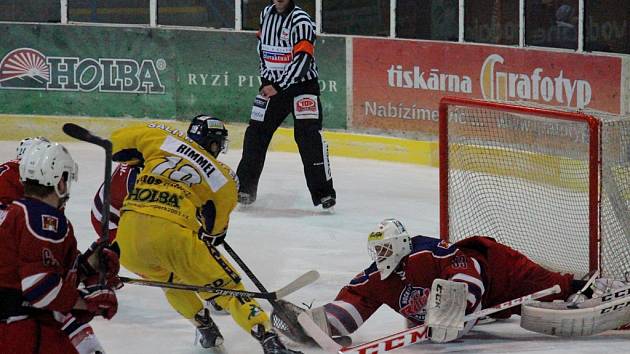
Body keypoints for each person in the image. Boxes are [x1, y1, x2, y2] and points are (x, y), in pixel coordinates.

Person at [110, 115, 301, 353]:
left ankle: (206, 328)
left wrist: (141, 160)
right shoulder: (223, 176)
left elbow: (115, 145)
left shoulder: (160, 138)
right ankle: (270, 342)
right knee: (230, 290)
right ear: (213, 144)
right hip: (172, 236)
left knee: (171, 282)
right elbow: (214, 233)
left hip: (127, 236)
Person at [274, 218, 626, 342]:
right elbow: (352, 305)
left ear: (399, 245)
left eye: (385, 250)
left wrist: (457, 307)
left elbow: (468, 269)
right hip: (482, 312)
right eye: (375, 251)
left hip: (501, 273)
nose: (379, 258)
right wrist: (316, 324)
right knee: (532, 313)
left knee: (556, 291)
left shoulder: (427, 252)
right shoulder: (375, 278)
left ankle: (605, 292)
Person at [0, 141, 119, 353]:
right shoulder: (41, 218)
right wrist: (87, 300)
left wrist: (88, 266)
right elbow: (40, 289)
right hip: (19, 330)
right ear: (59, 182)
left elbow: (38, 273)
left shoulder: (21, 213)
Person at [236, 0, 336, 210]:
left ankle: (324, 193)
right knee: (256, 133)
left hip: (302, 87)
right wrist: (266, 80)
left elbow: (303, 59)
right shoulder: (266, 14)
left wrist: (279, 85)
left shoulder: (301, 20)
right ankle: (245, 188)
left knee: (308, 137)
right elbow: (262, 48)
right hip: (273, 87)